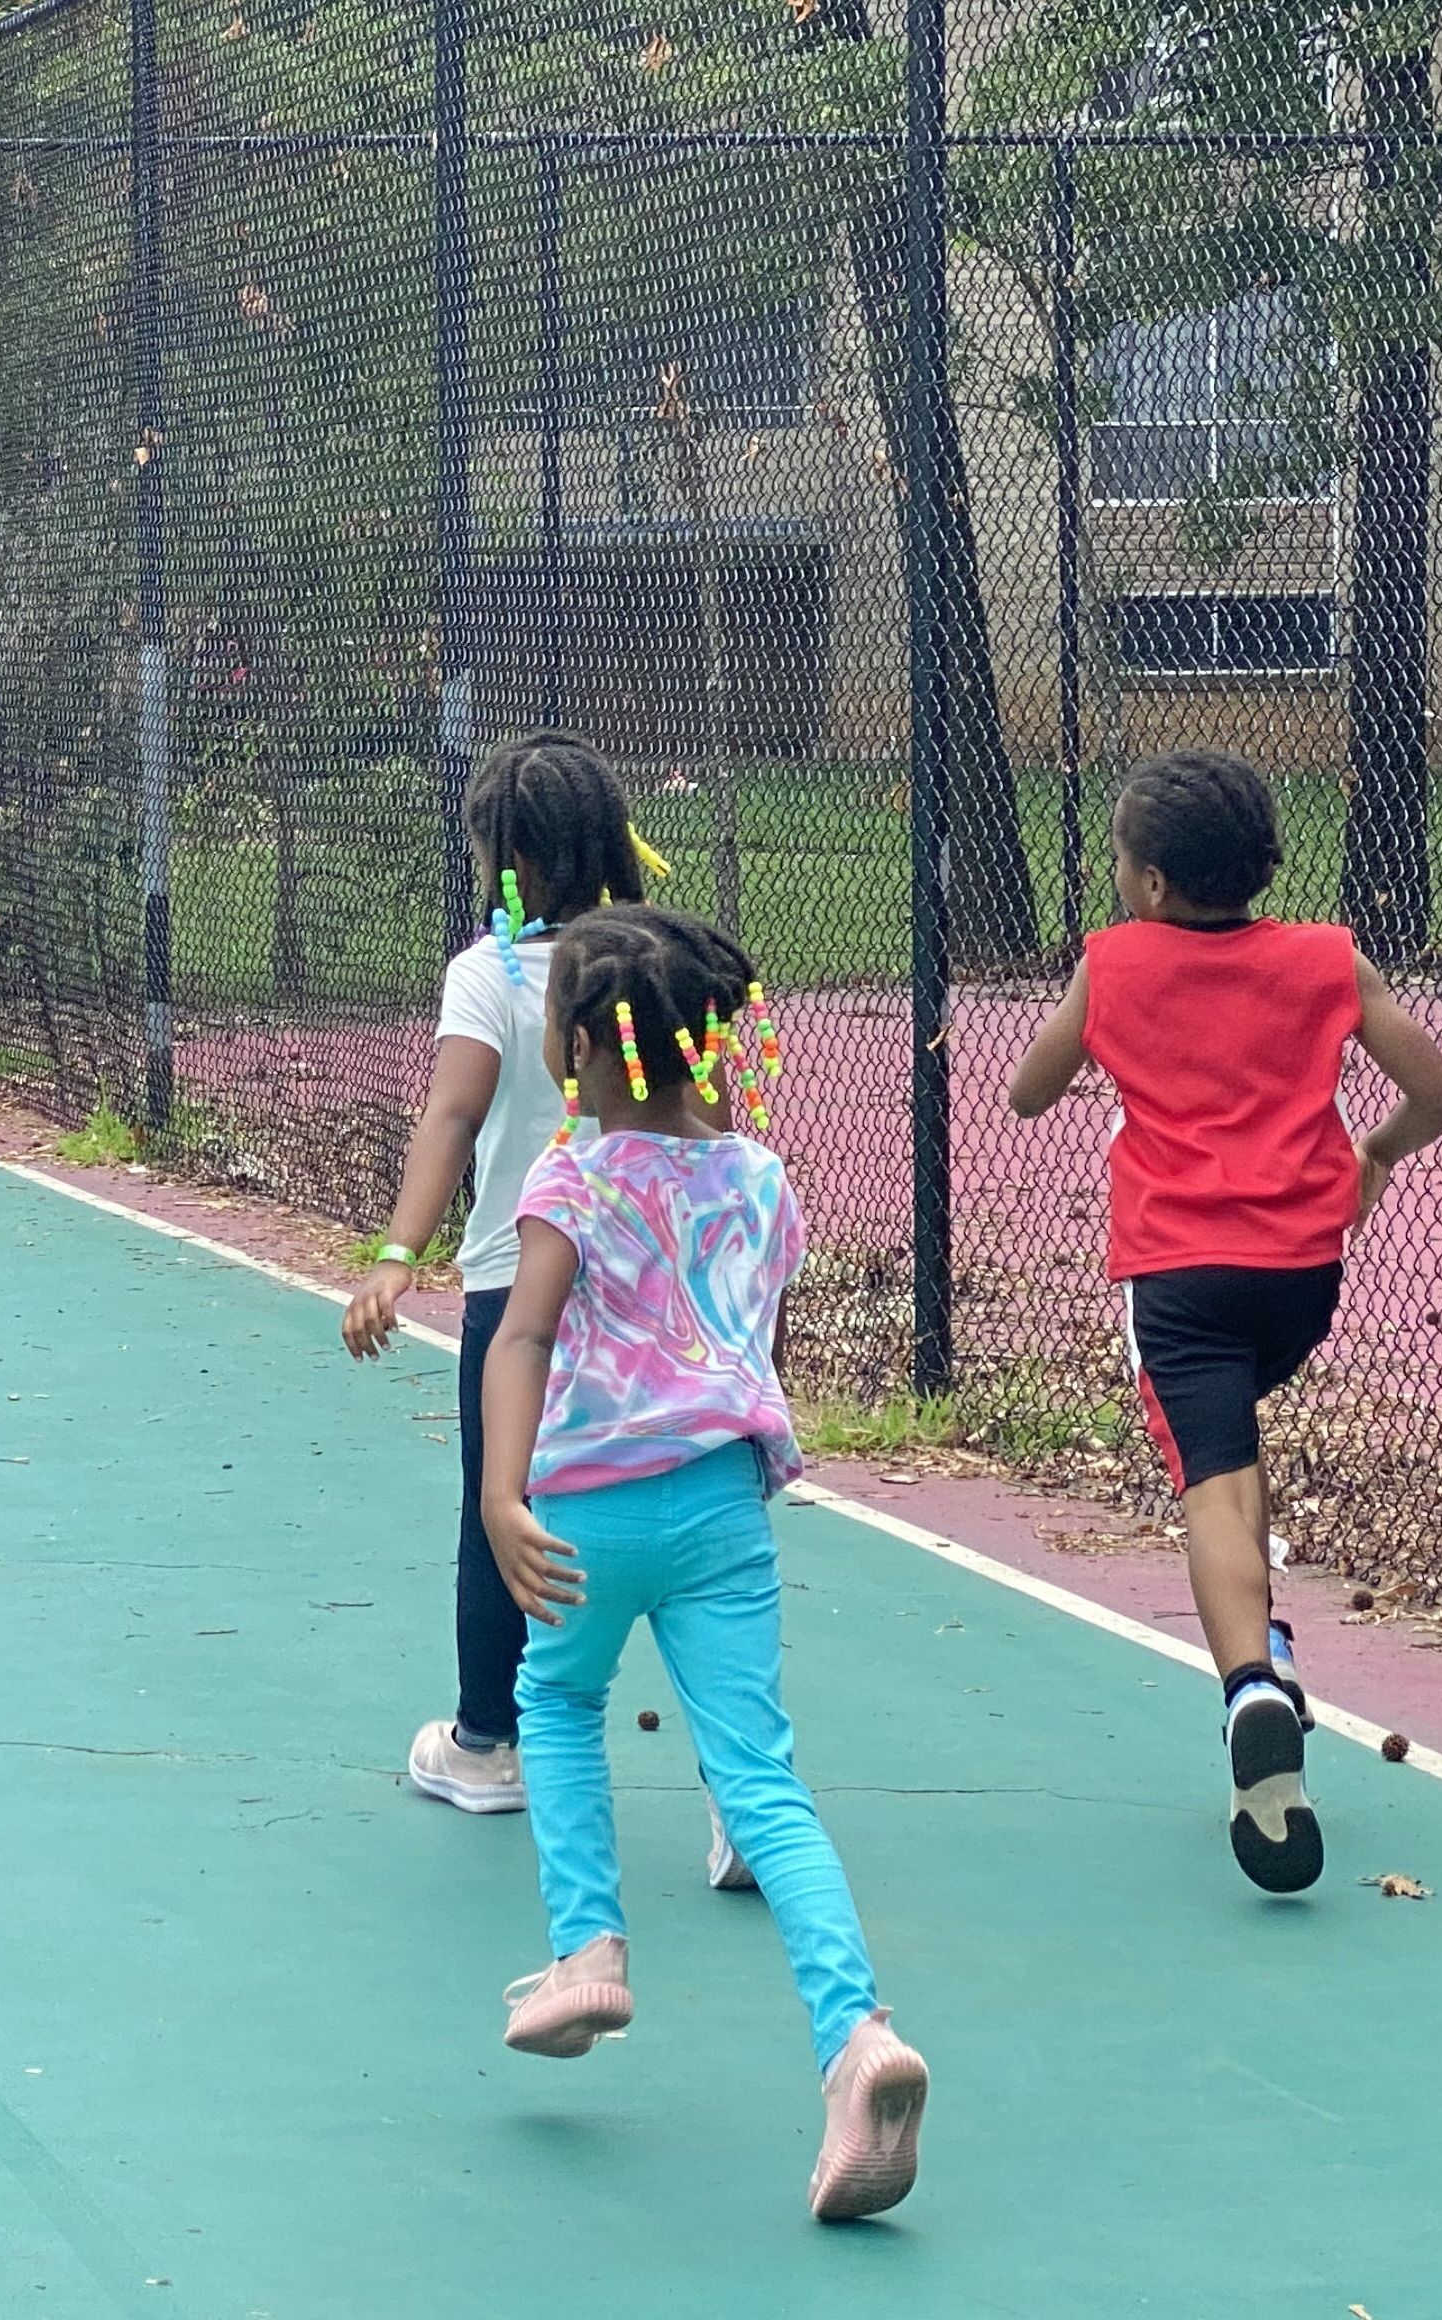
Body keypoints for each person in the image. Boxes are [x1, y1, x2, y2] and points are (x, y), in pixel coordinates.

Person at [475, 904, 931, 2225]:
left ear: (579, 1045)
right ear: (702, 1042)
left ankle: (588, 1953)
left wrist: (505, 1494)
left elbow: (524, 1337)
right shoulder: (760, 1179)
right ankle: (856, 2037)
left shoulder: (571, 1175)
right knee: (760, 1778)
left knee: (558, 1706)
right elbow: (749, 1335)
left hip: (586, 1508)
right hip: (725, 1506)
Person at [1004, 748, 1442, 1894]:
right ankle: (1278, 1655)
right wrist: (1374, 1153)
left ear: (1152, 883)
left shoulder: (1115, 965)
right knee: (1237, 1451)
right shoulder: (1324, 957)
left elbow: (1028, 1089)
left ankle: (1250, 1683)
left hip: (1179, 1271)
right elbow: (1439, 1092)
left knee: (1210, 1477)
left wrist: (1099, 1034)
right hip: (1301, 1276)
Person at [341, 733, 651, 1817]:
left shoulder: (491, 974)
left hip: (514, 1295)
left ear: (502, 859)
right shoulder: (652, 964)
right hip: (644, 1295)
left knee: (499, 1504)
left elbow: (453, 1113)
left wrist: (396, 1253)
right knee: (681, 1517)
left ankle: (485, 1744)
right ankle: (743, 1790)